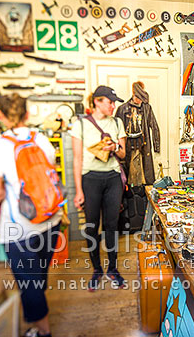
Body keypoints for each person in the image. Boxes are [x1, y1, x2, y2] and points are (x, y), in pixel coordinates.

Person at [0, 93, 61, 337]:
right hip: (50, 219)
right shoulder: (42, 140)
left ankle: (42, 331)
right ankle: (39, 316)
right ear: (27, 113)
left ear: (1, 116)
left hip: (19, 227)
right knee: (38, 275)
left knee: (29, 282)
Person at [71, 86, 127, 291]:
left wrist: (115, 148)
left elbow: (123, 155)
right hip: (90, 180)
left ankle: (112, 268)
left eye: (114, 102)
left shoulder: (117, 122)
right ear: (97, 101)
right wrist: (78, 190)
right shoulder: (81, 125)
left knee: (112, 226)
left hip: (112, 178)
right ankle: (97, 269)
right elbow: (77, 160)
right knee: (92, 227)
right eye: (109, 102)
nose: (113, 106)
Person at [115, 81, 160, 185]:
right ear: (133, 92)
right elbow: (116, 131)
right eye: (137, 96)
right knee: (127, 180)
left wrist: (156, 147)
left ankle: (144, 200)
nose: (139, 99)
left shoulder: (147, 108)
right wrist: (117, 150)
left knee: (145, 180)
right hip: (127, 148)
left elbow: (154, 127)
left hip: (142, 147)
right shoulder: (122, 109)